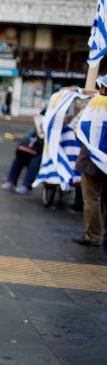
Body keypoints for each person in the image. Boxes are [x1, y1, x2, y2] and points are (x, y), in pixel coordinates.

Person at [73, 75, 107, 247]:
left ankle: (93, 236)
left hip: (92, 161)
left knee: (92, 199)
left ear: (102, 88)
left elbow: (78, 130)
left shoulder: (94, 105)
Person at [1, 124, 44, 194]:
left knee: (35, 160)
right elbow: (28, 136)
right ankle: (11, 181)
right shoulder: (40, 124)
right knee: (20, 156)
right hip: (36, 148)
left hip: (45, 152)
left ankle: (26, 185)